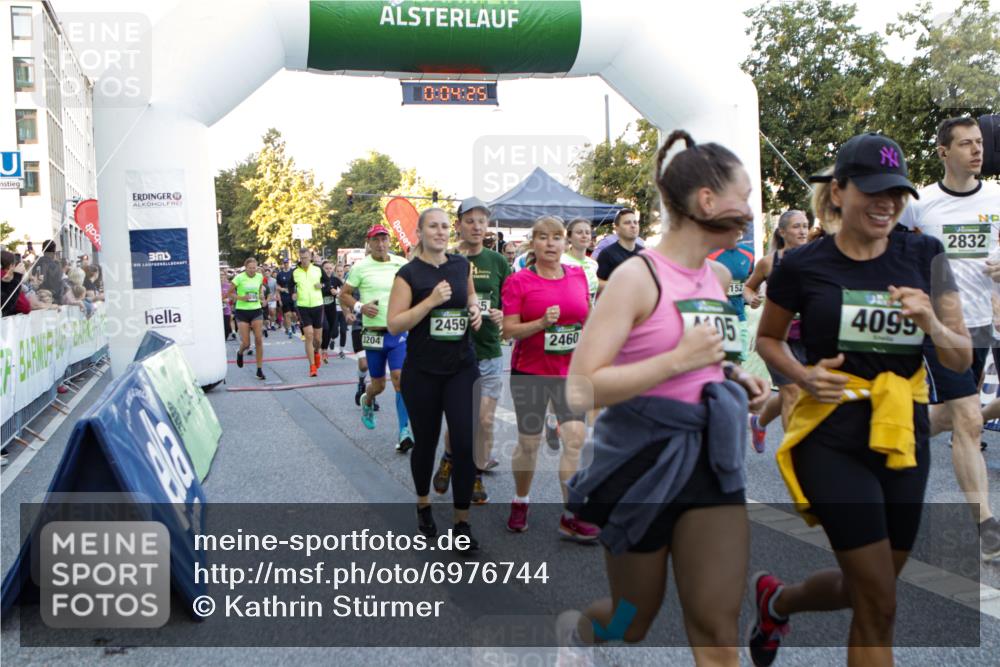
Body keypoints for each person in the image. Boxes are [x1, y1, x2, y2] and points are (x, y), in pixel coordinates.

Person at [750, 133, 971, 667]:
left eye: (896, 192)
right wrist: (803, 375)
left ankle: (778, 601)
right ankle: (779, 602)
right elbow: (768, 339)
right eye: (872, 190)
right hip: (831, 434)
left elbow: (960, 356)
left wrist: (930, 321)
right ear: (838, 191)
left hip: (902, 432)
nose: (886, 203)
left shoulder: (925, 253)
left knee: (868, 589)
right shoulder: (802, 264)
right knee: (879, 602)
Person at [560, 130, 768, 665]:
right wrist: (676, 362)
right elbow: (582, 384)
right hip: (641, 466)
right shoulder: (636, 277)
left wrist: (733, 376)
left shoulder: (717, 274)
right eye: (743, 197)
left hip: (711, 463)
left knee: (718, 630)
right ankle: (580, 637)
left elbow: (708, 357)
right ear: (707, 201)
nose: (749, 211)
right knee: (630, 622)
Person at [898, 116, 1000, 560]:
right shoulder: (920, 205)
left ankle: (899, 426)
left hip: (987, 323)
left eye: (979, 142)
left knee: (955, 418)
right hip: (943, 327)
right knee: (968, 419)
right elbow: (889, 249)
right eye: (965, 144)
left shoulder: (997, 197)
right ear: (943, 151)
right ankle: (987, 528)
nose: (977, 150)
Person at [387, 207, 483, 550]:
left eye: (444, 226)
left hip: (461, 368)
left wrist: (475, 309)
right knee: (426, 444)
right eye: (433, 226)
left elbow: (469, 294)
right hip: (423, 372)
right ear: (420, 233)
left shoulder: (461, 265)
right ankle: (423, 504)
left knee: (465, 443)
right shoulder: (408, 274)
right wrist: (429, 302)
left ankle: (461, 524)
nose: (440, 232)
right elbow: (395, 324)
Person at [502, 216, 597, 540]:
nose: (551, 243)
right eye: (543, 237)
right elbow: (509, 330)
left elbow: (587, 319)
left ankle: (571, 515)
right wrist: (541, 323)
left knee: (575, 439)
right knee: (529, 444)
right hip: (530, 373)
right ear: (534, 243)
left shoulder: (578, 275)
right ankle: (521, 499)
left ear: (565, 242)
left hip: (570, 373)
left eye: (557, 237)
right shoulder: (519, 281)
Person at [433, 197, 510, 505]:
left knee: (485, 421)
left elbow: (511, 301)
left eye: (482, 221)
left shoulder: (498, 261)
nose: (477, 226)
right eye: (470, 221)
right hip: (456, 353)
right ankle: (449, 457)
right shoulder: (447, 260)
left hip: (489, 351)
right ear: (459, 225)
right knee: (460, 420)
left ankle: (476, 474)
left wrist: (504, 314)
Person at [340, 226, 412, 451]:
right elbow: (344, 294)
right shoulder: (360, 267)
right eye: (376, 240)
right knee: (379, 385)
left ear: (389, 241)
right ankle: (367, 399)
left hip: (397, 332)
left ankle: (404, 431)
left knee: (400, 379)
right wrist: (360, 307)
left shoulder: (401, 263)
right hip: (373, 334)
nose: (381, 244)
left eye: (384, 239)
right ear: (369, 243)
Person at [744, 210, 811, 452]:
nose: (802, 231)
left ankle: (758, 422)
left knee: (791, 392)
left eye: (805, 226)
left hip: (808, 336)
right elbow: (749, 287)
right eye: (796, 226)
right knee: (792, 391)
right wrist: (751, 298)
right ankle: (795, 454)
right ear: (782, 232)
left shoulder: (816, 258)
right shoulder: (769, 262)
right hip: (776, 336)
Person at [228, 257, 267, 380]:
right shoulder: (239, 278)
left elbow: (260, 289)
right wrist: (241, 298)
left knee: (259, 340)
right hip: (242, 311)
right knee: (246, 343)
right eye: (250, 268)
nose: (252, 270)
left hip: (256, 310)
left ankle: (259, 370)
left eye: (254, 268)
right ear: (246, 268)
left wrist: (261, 296)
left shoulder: (259, 277)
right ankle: (240, 352)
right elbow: (229, 293)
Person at [291, 247, 325, 377]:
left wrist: (322, 286)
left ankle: (316, 352)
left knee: (318, 339)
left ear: (310, 257)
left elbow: (327, 283)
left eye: (306, 258)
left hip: (318, 305)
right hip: (303, 306)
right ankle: (312, 366)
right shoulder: (295, 272)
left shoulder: (318, 269)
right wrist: (293, 293)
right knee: (309, 335)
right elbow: (290, 286)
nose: (304, 260)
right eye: (301, 258)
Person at [596, 209, 641, 294]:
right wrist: (620, 285)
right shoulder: (607, 254)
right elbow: (596, 283)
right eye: (627, 223)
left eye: (635, 222)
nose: (633, 226)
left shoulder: (644, 253)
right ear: (617, 228)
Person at [562, 218, 600, 304]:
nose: (584, 236)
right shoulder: (560, 261)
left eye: (588, 233)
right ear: (569, 237)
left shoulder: (593, 264)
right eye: (579, 232)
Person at [320, 260, 343, 363]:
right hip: (321, 308)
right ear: (322, 269)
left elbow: (344, 292)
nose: (328, 270)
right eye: (326, 268)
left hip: (332, 308)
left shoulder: (335, 280)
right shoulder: (318, 279)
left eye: (330, 268)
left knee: (330, 330)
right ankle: (323, 349)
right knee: (325, 327)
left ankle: (324, 349)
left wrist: (337, 293)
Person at [1, 252, 31, 317]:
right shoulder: (3, 275)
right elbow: (8, 304)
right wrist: (17, 277)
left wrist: (5, 282)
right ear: (11, 265)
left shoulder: (5, 277)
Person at [275, 257, 298, 338]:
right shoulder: (280, 274)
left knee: (294, 315)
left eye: (287, 263)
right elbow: (277, 286)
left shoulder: (293, 272)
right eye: (284, 263)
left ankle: (293, 324)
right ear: (283, 264)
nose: (286, 264)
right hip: (284, 296)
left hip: (293, 295)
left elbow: (298, 284)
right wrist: (281, 290)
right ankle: (290, 330)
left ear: (289, 263)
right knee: (287, 314)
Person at [220, 269, 234, 342]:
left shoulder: (228, 286)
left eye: (222, 275)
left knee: (226, 325)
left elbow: (233, 295)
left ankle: (225, 338)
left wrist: (229, 299)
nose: (221, 277)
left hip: (226, 309)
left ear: (225, 276)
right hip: (216, 310)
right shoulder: (213, 285)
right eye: (220, 275)